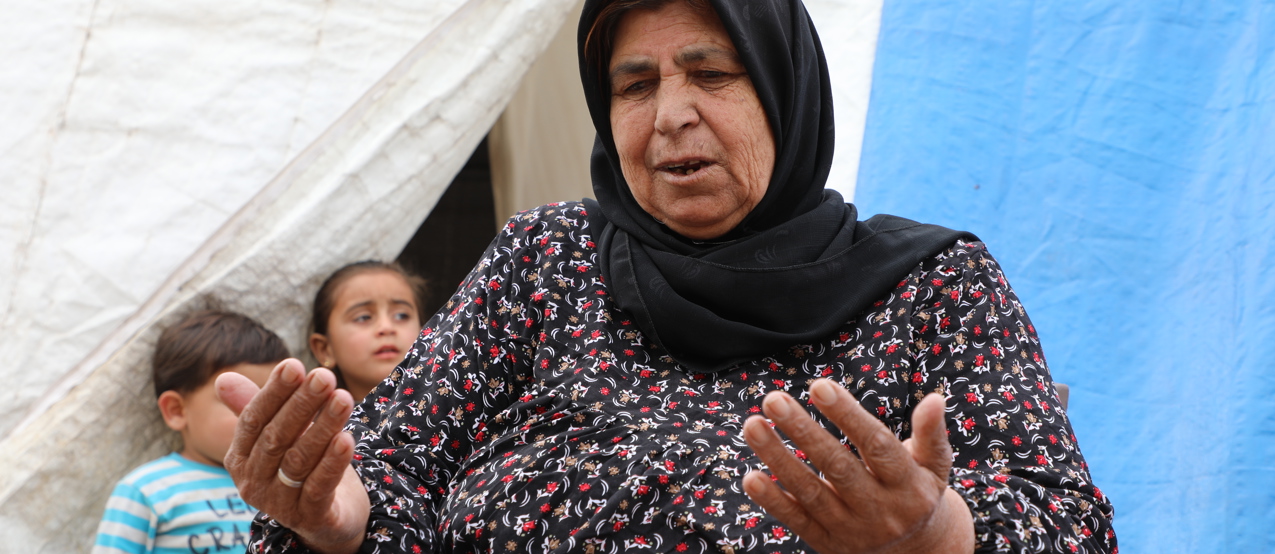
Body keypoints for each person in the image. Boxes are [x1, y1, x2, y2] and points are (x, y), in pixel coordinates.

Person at [217, 0, 1118, 552]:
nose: (669, 117)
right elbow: (393, 465)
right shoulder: (543, 260)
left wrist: (935, 536)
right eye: (635, 85)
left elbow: (1069, 526)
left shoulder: (928, 284)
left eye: (711, 73)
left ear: (785, 87)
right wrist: (341, 519)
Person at [93, 311, 290, 554]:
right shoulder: (146, 489)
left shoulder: (286, 484)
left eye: (275, 401)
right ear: (176, 410)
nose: (262, 416)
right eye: (236, 401)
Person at [307, 261, 426, 400]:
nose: (386, 327)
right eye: (363, 317)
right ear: (325, 350)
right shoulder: (307, 421)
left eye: (401, 315)